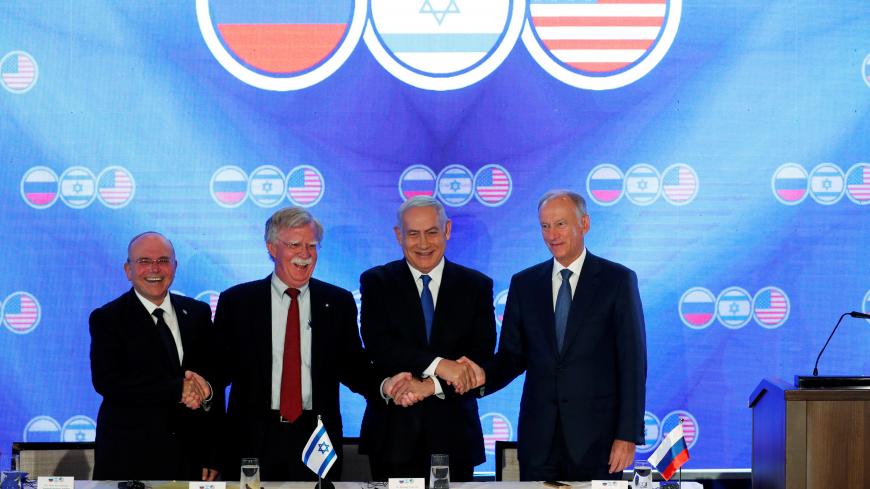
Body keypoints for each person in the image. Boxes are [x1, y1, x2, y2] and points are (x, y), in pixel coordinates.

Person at [214, 207, 412, 481]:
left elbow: (353, 365)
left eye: (311, 245)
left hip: (316, 438)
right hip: (253, 439)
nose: (305, 254)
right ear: (272, 247)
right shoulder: (237, 302)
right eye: (294, 245)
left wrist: (384, 385)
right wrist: (198, 387)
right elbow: (219, 369)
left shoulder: (337, 302)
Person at [465, 190, 647, 481]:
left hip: (597, 441)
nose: (552, 234)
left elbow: (632, 363)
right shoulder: (524, 284)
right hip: (538, 441)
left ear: (584, 224)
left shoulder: (617, 280)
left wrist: (627, 435)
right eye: (545, 226)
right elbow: (512, 357)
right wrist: (479, 376)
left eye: (561, 224)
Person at [359, 196, 496, 481]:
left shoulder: (476, 286)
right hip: (392, 437)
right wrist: (439, 365)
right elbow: (380, 346)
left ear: (447, 230)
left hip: (455, 437)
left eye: (432, 232)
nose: (423, 243)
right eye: (413, 234)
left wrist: (429, 386)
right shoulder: (377, 282)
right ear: (399, 236)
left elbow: (479, 357)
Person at [89, 232, 220, 481]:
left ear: (174, 266)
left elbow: (211, 378)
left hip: (190, 458)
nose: (154, 269)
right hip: (130, 458)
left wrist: (211, 453)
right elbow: (108, 382)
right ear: (128, 270)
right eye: (144, 261)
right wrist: (177, 389)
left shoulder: (197, 313)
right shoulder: (108, 318)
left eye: (163, 260)